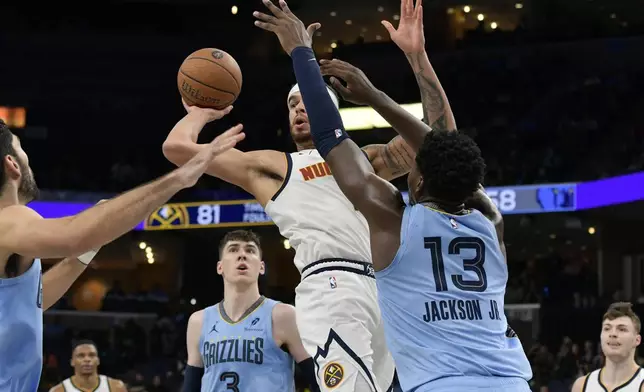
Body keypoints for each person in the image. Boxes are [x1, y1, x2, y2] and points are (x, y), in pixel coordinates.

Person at [163, 4, 454, 392]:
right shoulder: (273, 166)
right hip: (331, 284)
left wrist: (417, 57)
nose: (299, 109)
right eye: (291, 105)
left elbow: (442, 143)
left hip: (388, 291)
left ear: (329, 110)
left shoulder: (367, 160)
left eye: (306, 101)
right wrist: (203, 112)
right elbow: (178, 148)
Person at [252, 0, 534, 391]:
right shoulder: (490, 220)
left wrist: (302, 51)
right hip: (511, 383)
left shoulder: (396, 225)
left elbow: (331, 138)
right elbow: (444, 144)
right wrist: (414, 59)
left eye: (414, 168)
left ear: (417, 184)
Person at [0, 118, 245, 392]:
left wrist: (90, 247)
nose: (28, 158)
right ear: (12, 164)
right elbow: (73, 234)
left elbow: (32, 301)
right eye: (22, 149)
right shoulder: (6, 219)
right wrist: (181, 177)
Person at [183, 230, 317, 392]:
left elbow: (318, 379)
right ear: (220, 267)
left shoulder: (283, 315)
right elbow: (190, 387)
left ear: (261, 267)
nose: (242, 255)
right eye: (233, 250)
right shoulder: (199, 321)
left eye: (250, 250)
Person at [572, 302, 644, 392]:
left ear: (637, 340)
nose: (613, 334)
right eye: (607, 328)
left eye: (622, 329)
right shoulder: (581, 386)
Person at [48, 340, 127, 392]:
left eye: (92, 355)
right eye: (81, 356)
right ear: (72, 362)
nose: (87, 359)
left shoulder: (116, 387)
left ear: (98, 360)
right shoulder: (59, 390)